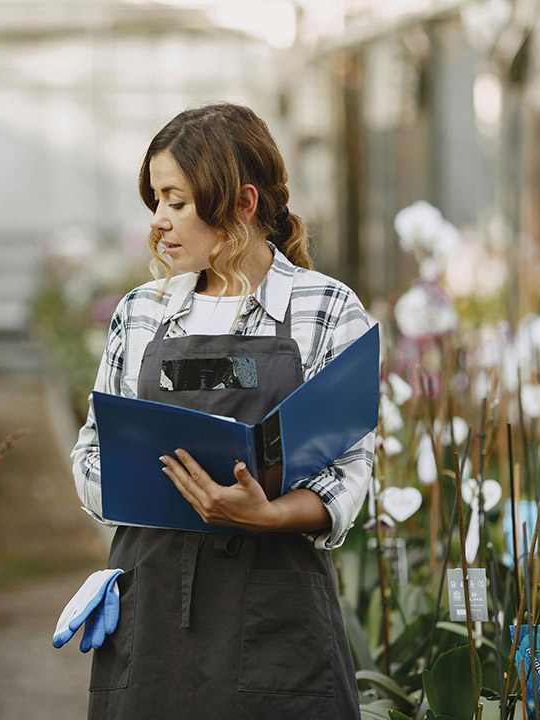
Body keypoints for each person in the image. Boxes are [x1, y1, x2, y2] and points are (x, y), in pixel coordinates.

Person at [70, 103, 374, 718]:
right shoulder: (143, 311)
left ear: (241, 203)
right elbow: (90, 451)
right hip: (151, 604)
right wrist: (140, 488)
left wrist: (268, 513)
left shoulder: (326, 309)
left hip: (276, 616)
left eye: (176, 202)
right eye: (155, 201)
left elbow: (350, 472)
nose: (159, 222)